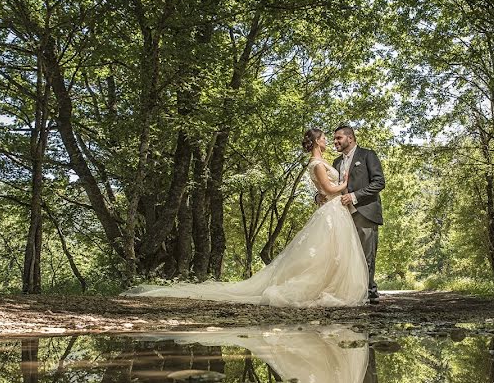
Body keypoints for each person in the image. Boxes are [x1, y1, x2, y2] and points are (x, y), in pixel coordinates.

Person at [121, 128, 368, 307]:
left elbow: (321, 192)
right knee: (324, 253)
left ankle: (332, 287)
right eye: (325, 137)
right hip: (333, 209)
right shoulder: (316, 163)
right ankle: (316, 289)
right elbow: (326, 189)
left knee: (332, 253)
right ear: (316, 141)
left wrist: (330, 193)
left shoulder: (324, 161)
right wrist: (344, 185)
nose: (328, 140)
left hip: (336, 211)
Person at [317, 124, 385, 304]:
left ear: (350, 138)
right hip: (342, 216)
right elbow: (331, 187)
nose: (335, 142)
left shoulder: (368, 155)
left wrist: (354, 196)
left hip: (365, 212)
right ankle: (351, 293)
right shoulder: (336, 163)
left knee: (366, 255)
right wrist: (320, 196)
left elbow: (379, 182)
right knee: (345, 256)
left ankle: (370, 293)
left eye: (338, 138)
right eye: (333, 139)